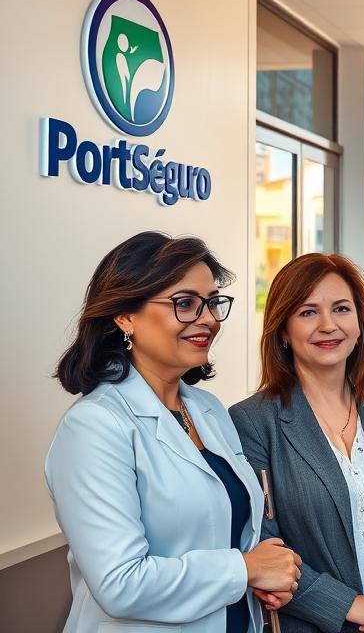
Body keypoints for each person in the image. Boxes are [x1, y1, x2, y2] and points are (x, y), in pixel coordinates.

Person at [45, 231, 301, 633]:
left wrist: (266, 574)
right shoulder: (95, 426)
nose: (210, 320)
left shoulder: (208, 410)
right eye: (185, 304)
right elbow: (120, 584)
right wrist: (245, 569)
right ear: (124, 316)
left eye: (213, 303)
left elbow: (225, 531)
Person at [230, 253, 364, 633]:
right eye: (308, 312)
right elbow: (262, 542)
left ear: (360, 322)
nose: (328, 325)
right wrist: (347, 605)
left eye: (341, 309)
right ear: (282, 330)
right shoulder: (253, 420)